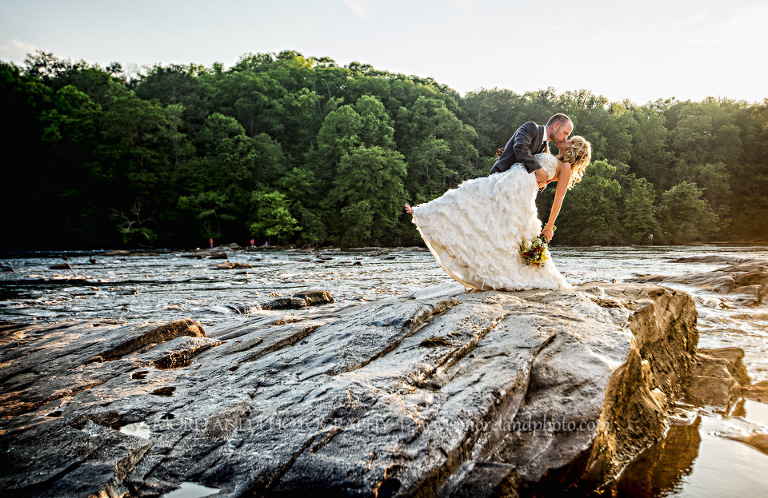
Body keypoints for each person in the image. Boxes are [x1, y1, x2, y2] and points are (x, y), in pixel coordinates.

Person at [405, 136, 592, 291]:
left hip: (519, 186)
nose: (565, 139)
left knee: (497, 216)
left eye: (569, 140)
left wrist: (549, 226)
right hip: (514, 177)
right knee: (477, 193)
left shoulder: (565, 167)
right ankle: (426, 211)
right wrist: (508, 156)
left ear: (574, 149)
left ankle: (501, 272)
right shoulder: (551, 155)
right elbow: (534, 169)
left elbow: (558, 198)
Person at [489, 113, 574, 190]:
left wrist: (541, 183)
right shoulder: (531, 127)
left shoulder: (545, 149)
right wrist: (537, 169)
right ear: (555, 126)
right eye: (565, 133)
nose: (565, 138)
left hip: (515, 190)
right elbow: (520, 147)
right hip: (498, 180)